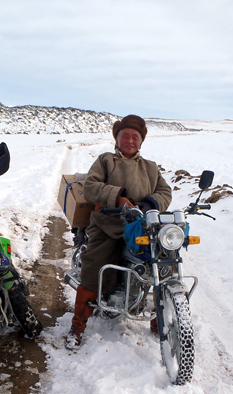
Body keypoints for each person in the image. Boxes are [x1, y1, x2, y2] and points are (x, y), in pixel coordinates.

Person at [65, 115, 173, 350]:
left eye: (136, 136)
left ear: (141, 142)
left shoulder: (150, 167)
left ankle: (159, 321)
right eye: (126, 135)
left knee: (163, 263)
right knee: (96, 263)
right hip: (109, 222)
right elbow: (91, 187)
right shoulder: (105, 161)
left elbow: (165, 191)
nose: (131, 140)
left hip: (142, 225)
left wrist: (151, 203)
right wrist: (118, 197)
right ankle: (77, 326)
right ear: (117, 138)